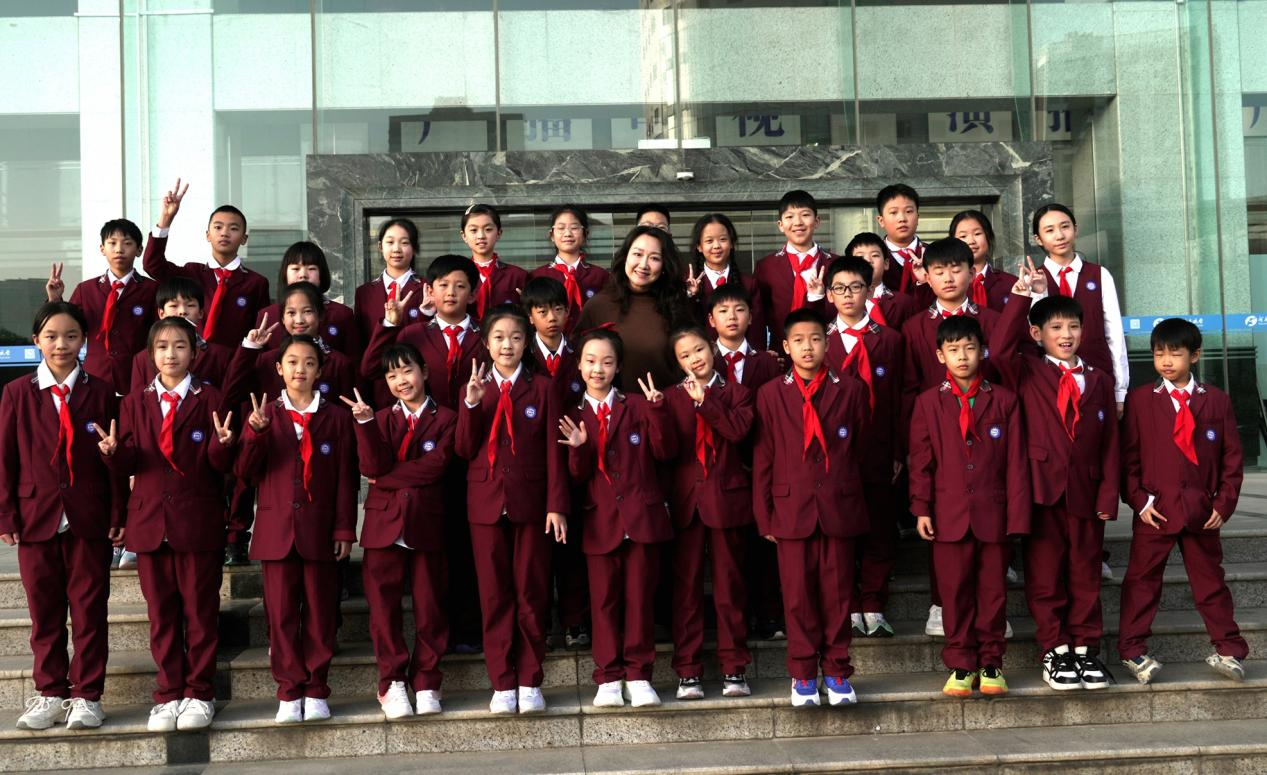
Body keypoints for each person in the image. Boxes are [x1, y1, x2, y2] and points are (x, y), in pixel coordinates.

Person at [99, 316, 234, 731]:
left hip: (198, 521)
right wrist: (113, 454)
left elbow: (220, 465)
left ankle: (199, 692)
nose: (170, 354)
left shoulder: (212, 398)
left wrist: (224, 446)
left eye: (179, 346)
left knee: (200, 612)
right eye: (161, 346)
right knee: (162, 615)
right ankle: (168, 693)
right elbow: (132, 461)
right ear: (150, 354)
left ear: (194, 352)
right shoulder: (133, 402)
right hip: (150, 522)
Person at [995, 266, 1119, 691]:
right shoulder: (1027, 371)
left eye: (1073, 327)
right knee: (1046, 575)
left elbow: (1110, 443)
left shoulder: (1099, 380)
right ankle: (1055, 648)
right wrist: (1020, 297)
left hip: (1087, 493)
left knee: (1085, 573)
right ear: (1037, 334)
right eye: (1056, 327)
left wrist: (1108, 493)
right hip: (1042, 492)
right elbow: (998, 351)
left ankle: (1085, 648)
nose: (1066, 335)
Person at [1, 302, 123, 731]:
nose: (61, 344)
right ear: (36, 340)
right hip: (36, 516)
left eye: (71, 336)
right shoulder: (17, 393)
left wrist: (119, 512)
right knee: (44, 613)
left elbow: (115, 459)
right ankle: (50, 693)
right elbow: (5, 458)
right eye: (51, 336)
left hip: (89, 517)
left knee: (90, 611)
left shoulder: (101, 392)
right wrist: (6, 514)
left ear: (84, 341)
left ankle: (87, 696)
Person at [362, 254, 488, 653]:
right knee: (431, 552)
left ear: (474, 293)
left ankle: (467, 630)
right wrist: (390, 324)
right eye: (443, 285)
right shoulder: (414, 332)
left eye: (460, 286)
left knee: (465, 547)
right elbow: (372, 368)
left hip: (471, 453)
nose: (451, 293)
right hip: (421, 452)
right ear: (429, 291)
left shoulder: (486, 335)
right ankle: (436, 632)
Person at [234, 335, 356, 724]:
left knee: (320, 612)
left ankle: (317, 688)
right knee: (281, 614)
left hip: (320, 528)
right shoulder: (264, 414)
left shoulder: (337, 417)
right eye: (292, 362)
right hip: (277, 530)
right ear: (279, 368)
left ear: (320, 370)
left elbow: (345, 479)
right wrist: (255, 433)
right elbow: (245, 472)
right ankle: (288, 690)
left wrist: (344, 529)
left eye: (308, 362)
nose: (299, 369)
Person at [1118, 318, 1247, 685]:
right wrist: (1140, 502)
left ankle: (1229, 649)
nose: (1166, 361)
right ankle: (1132, 650)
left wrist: (1223, 504)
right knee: (1142, 582)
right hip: (1154, 512)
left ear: (1195, 356)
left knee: (1210, 583)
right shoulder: (1141, 400)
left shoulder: (1216, 400)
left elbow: (1232, 459)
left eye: (1175, 353)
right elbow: (1128, 459)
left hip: (1201, 512)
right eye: (1159, 353)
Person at [752, 308, 869, 708]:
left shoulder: (850, 390)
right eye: (799, 340)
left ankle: (837, 670)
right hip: (791, 509)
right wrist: (765, 514)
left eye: (816, 339)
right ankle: (802, 673)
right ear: (785, 346)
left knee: (837, 594)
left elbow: (859, 448)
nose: (808, 347)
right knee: (798, 596)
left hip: (838, 505)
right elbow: (764, 457)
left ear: (827, 343)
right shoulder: (771, 394)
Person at [908, 315, 1030, 697]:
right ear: (940, 355)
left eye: (970, 348)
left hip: (994, 513)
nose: (962, 356)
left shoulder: (1005, 400)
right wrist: (921, 508)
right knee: (955, 592)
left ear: (983, 351)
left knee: (993, 592)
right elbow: (921, 462)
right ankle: (961, 664)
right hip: (948, 514)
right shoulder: (928, 402)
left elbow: (1017, 464)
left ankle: (992, 661)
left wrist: (1017, 515)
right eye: (954, 349)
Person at [456, 305, 569, 714]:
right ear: (486, 344)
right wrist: (471, 406)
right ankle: (503, 681)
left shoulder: (543, 388)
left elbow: (555, 453)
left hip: (532, 504)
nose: (507, 345)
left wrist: (556, 505)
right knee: (494, 596)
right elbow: (464, 449)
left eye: (516, 337)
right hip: (486, 503)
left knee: (531, 592)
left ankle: (529, 679)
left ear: (527, 343)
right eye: (499, 337)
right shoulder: (475, 387)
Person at [558, 328, 676, 709]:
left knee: (640, 600)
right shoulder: (572, 415)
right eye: (591, 361)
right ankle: (608, 676)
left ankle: (639, 675)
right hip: (599, 521)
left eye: (607, 362)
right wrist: (579, 449)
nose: (598, 369)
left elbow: (665, 452)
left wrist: (658, 411)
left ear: (618, 366)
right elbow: (576, 478)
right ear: (579, 366)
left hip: (642, 518)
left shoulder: (638, 405)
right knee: (604, 602)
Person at [900, 237, 1005, 637]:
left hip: (987, 433)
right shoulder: (914, 327)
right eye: (939, 270)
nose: (948, 277)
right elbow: (908, 388)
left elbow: (1005, 377)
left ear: (972, 272)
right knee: (942, 523)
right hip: (937, 434)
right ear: (925, 276)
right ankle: (940, 603)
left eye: (956, 269)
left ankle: (992, 611)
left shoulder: (991, 320)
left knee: (987, 526)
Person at [344, 344, 455, 718]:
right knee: (383, 609)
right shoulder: (378, 418)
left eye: (407, 371)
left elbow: (437, 465)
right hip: (383, 525)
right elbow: (370, 466)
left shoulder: (447, 418)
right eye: (392, 376)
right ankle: (391, 681)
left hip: (427, 522)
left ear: (424, 371)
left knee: (430, 606)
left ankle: (427, 681)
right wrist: (364, 425)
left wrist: (388, 478)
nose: (401, 381)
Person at [664, 326, 755, 700]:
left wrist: (706, 401)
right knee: (685, 590)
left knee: (729, 587)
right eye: (684, 355)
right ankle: (688, 670)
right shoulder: (669, 397)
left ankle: (735, 667)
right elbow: (666, 452)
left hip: (726, 499)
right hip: (686, 503)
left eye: (699, 350)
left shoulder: (737, 393)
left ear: (712, 349)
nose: (694, 359)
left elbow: (737, 432)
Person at [823, 256, 905, 638]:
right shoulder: (819, 341)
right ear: (828, 294)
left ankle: (873, 601)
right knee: (843, 532)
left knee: (879, 528)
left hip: (879, 449)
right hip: (834, 456)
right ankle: (850, 604)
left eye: (856, 287)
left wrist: (898, 450)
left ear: (869, 291)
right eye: (839, 288)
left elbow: (900, 399)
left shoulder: (889, 339)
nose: (848, 295)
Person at [706, 283, 783, 640]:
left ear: (752, 317)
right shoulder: (703, 360)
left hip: (759, 462)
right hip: (718, 465)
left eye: (739, 310)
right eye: (723, 311)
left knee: (763, 542)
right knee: (728, 553)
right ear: (711, 320)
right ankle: (736, 620)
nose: (732, 317)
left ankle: (768, 614)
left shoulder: (767, 361)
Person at [521, 276, 590, 649]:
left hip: (576, 457)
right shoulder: (521, 354)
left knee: (572, 546)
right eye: (542, 311)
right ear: (530, 316)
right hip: (533, 464)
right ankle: (542, 622)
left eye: (558, 309)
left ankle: (575, 621)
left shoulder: (581, 353)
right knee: (537, 552)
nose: (552, 318)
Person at [142, 178, 271, 349]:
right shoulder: (191, 273)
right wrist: (165, 219)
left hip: (235, 360)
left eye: (233, 228)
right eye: (218, 227)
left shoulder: (256, 283)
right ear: (207, 235)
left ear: (244, 239)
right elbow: (153, 265)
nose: (224, 233)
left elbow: (260, 331)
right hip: (193, 358)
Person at [1031, 203, 1129, 413]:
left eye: (1065, 226)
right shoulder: (1033, 280)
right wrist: (1038, 292)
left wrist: (1120, 391)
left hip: (1098, 378)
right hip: (1051, 384)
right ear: (1038, 239)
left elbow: (1114, 335)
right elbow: (1035, 335)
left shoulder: (1100, 275)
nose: (1059, 235)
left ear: (1075, 229)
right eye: (1049, 230)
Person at [575, 225, 697, 391]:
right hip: (615, 405)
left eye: (654, 258)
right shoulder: (598, 305)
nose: (643, 264)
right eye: (637, 254)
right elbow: (578, 361)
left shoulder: (677, 305)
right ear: (625, 256)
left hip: (667, 402)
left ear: (664, 265)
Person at [44, 219, 156, 394]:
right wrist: (55, 300)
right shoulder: (86, 290)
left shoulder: (151, 289)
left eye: (127, 243)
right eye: (112, 243)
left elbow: (160, 333)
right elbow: (65, 326)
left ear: (139, 250)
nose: (119, 249)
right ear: (102, 249)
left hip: (137, 377)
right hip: (95, 376)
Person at [752, 190, 832, 346]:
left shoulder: (834, 263)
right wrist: (763, 354)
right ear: (780, 225)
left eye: (805, 215)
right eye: (789, 217)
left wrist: (818, 298)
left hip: (825, 350)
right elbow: (757, 317)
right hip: (780, 352)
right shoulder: (766, 266)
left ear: (817, 221)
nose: (798, 222)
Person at [254, 241, 358, 356]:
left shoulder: (342, 314)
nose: (303, 275)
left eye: (311, 268)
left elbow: (353, 360)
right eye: (295, 269)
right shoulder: (268, 315)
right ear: (285, 274)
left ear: (321, 274)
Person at [130, 277, 232, 391]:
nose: (182, 311)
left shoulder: (221, 356)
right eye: (174, 306)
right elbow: (137, 399)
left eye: (190, 305)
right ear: (161, 313)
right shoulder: (142, 359)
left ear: (201, 313)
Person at [354, 218, 430, 371]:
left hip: (416, 376)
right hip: (376, 375)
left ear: (414, 247)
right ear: (380, 246)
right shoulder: (365, 292)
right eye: (390, 242)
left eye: (404, 243)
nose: (396, 249)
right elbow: (360, 343)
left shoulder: (427, 288)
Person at [685, 213, 766, 351]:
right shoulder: (687, 283)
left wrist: (757, 357)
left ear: (732, 243)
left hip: (742, 359)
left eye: (723, 239)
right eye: (709, 241)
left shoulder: (748, 284)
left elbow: (756, 331)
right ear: (699, 246)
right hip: (700, 358)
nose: (716, 246)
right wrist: (690, 295)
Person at [528, 205, 609, 334]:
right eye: (561, 228)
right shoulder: (537, 276)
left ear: (585, 234)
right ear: (552, 235)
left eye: (574, 228)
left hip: (590, 342)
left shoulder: (600, 276)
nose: (567, 234)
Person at [462, 204, 528, 321]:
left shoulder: (518, 276)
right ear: (464, 236)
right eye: (473, 230)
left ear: (499, 233)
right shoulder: (458, 275)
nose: (481, 236)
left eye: (488, 229)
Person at [844, 232, 918, 329]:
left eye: (875, 255)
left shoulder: (904, 302)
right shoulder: (841, 302)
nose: (868, 260)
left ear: (886, 264)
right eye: (860, 257)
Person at [950, 210, 1018, 313]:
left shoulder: (1011, 283)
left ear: (988, 237)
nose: (971, 241)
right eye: (963, 236)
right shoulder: (947, 283)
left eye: (977, 234)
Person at [875, 184, 926, 294]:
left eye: (909, 211)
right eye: (893, 212)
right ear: (881, 221)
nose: (902, 219)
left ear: (918, 217)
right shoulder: (873, 257)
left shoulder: (934, 254)